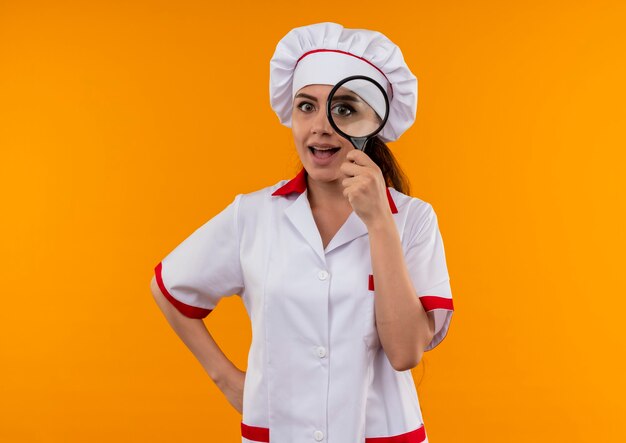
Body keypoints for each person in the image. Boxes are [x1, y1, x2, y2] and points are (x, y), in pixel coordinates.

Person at [150, 22, 454, 443]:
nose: (321, 126)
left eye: (345, 109)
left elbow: (404, 354)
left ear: (375, 124)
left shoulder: (413, 219)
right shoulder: (253, 215)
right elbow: (170, 288)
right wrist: (226, 380)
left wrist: (380, 222)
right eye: (306, 106)